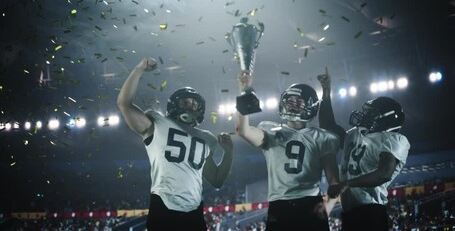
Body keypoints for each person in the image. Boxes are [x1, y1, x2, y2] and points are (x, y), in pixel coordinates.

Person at [117, 57, 234, 231]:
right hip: (163, 207)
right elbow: (124, 104)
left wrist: (229, 153)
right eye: (185, 102)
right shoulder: (157, 123)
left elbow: (216, 180)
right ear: (174, 105)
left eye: (194, 104)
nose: (190, 106)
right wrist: (139, 68)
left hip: (194, 211)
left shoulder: (206, 137)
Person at [235, 70, 341, 231]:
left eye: (298, 101)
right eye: (289, 100)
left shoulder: (322, 137)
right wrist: (243, 90)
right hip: (280, 204)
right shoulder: (269, 130)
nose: (292, 104)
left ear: (310, 106)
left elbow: (334, 182)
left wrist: (328, 207)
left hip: (311, 202)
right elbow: (243, 131)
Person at [317, 70, 410, 231]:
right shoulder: (355, 134)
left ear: (386, 118)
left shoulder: (394, 139)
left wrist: (347, 184)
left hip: (371, 212)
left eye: (372, 113)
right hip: (349, 212)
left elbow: (384, 173)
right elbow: (328, 126)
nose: (366, 115)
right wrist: (326, 91)